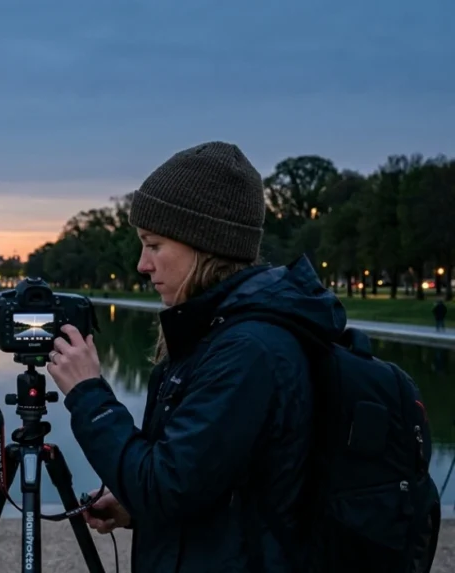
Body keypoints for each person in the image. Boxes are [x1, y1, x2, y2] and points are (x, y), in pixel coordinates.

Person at [48, 141, 346, 572]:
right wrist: (138, 507)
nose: (141, 265)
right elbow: (207, 483)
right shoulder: (216, 334)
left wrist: (88, 395)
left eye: (154, 245)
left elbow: (164, 485)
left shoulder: (247, 352)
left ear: (203, 245)